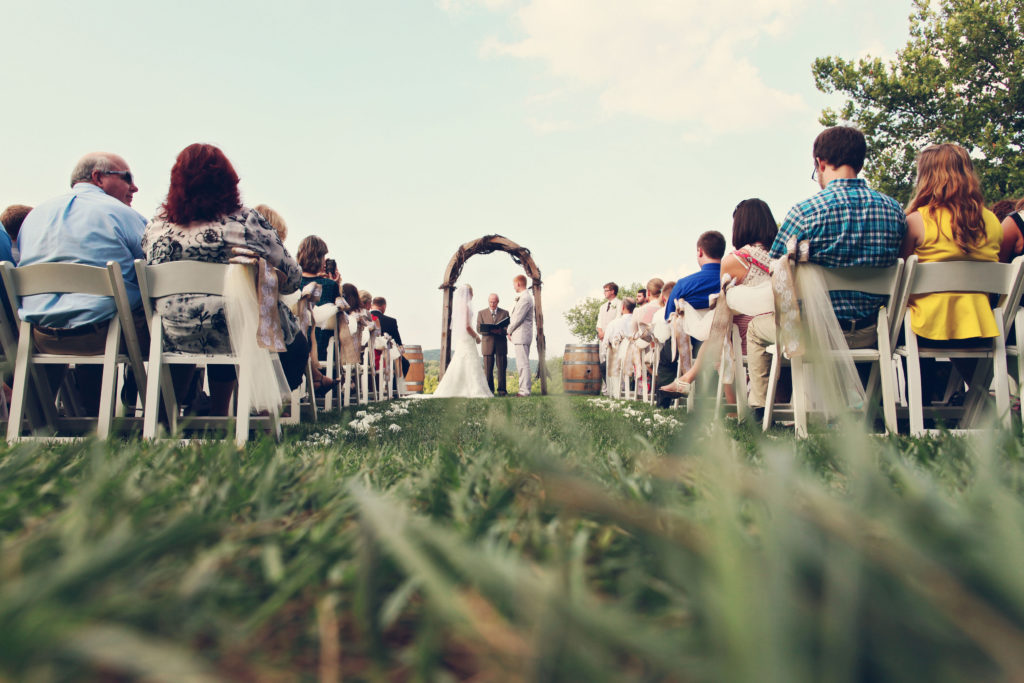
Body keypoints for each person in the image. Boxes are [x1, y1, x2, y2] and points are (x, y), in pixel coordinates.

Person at [746, 125, 907, 418]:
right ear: (860, 162)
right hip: (873, 332)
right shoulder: (894, 210)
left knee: (756, 329)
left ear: (820, 163)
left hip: (813, 334)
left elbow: (776, 271)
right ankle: (861, 407)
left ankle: (759, 409)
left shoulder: (805, 212)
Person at [142, 143, 313, 415]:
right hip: (234, 331)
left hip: (172, 331)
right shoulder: (245, 221)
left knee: (223, 314)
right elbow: (293, 278)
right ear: (229, 183)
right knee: (236, 314)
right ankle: (240, 413)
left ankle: (171, 416)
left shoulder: (156, 226)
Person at [17, 152, 148, 415]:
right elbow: (152, 265)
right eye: (127, 178)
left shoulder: (34, 218)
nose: (134, 187)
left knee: (98, 308)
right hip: (107, 336)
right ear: (99, 178)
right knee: (167, 320)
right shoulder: (124, 215)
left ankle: (53, 417)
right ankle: (168, 415)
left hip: (41, 337)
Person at [900, 143, 1005, 401]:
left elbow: (898, 279)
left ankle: (916, 409)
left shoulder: (916, 221)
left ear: (927, 176)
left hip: (925, 330)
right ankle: (981, 401)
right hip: (979, 329)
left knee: (894, 321)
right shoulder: (992, 221)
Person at [662, 199, 778, 396]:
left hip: (747, 334)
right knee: (723, 328)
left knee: (723, 329)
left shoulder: (735, 260)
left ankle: (729, 408)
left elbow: (671, 316)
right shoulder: (782, 255)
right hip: (782, 327)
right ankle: (687, 379)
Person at [432, 284, 492, 398]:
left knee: (460, 362)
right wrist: (477, 336)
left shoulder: (458, 307)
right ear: (468, 293)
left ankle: (457, 388)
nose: (473, 295)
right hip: (467, 338)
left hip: (462, 339)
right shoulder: (465, 307)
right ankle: (473, 389)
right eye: (472, 293)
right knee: (469, 362)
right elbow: (467, 327)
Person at [297, 235, 340, 361]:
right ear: (320, 258)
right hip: (321, 352)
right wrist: (335, 284)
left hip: (295, 345)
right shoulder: (330, 285)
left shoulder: (293, 282)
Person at [507, 275, 535, 396]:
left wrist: (509, 330)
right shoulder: (525, 297)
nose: (513, 287)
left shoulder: (525, 298)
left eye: (514, 284)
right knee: (522, 363)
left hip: (522, 335)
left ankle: (524, 391)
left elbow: (518, 317)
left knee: (523, 364)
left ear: (518, 283)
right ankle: (524, 389)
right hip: (521, 335)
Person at [370, 296, 409, 381]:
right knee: (405, 363)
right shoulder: (391, 321)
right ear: (384, 306)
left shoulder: (365, 318)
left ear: (372, 305)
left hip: (365, 356)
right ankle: (394, 387)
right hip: (385, 356)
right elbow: (398, 343)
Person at [477, 293, 509, 395]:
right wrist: (490, 331)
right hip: (487, 345)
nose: (492, 303)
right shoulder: (481, 313)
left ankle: (502, 391)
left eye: (494, 302)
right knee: (488, 370)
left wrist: (500, 331)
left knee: (502, 369)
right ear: (488, 301)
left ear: (498, 302)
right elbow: (478, 329)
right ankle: (489, 390)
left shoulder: (505, 313)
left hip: (501, 344)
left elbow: (508, 329)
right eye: (490, 301)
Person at [596, 282, 622, 393]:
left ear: (612, 291)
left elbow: (618, 320)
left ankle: (618, 388)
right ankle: (606, 389)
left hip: (614, 338)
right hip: (602, 339)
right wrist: (600, 332)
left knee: (614, 363)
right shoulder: (602, 307)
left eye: (606, 290)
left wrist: (606, 333)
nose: (604, 293)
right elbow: (599, 322)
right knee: (603, 362)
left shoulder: (620, 304)